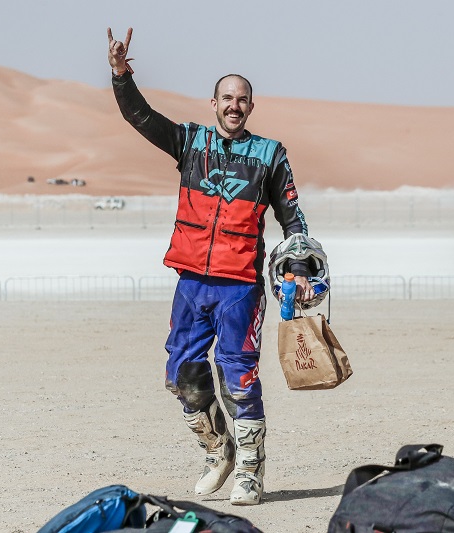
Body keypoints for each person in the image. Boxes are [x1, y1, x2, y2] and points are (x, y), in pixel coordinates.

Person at [107, 27, 318, 505]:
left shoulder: (269, 154)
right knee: (181, 375)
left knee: (239, 378)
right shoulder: (189, 142)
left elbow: (293, 218)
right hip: (191, 283)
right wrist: (120, 74)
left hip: (239, 286)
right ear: (214, 103)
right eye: (227, 98)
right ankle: (218, 449)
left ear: (251, 106)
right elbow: (141, 117)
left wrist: (300, 269)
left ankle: (250, 471)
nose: (234, 106)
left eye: (242, 99)